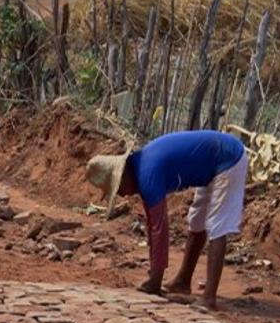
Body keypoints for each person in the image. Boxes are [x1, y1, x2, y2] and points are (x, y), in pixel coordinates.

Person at [86, 130, 249, 310]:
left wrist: (155, 281)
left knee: (217, 225)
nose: (122, 194)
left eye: (118, 189)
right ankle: (182, 281)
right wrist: (153, 279)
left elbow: (160, 229)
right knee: (196, 221)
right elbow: (151, 224)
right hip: (211, 163)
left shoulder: (148, 174)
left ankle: (209, 298)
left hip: (228, 158)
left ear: (124, 176)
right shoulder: (142, 168)